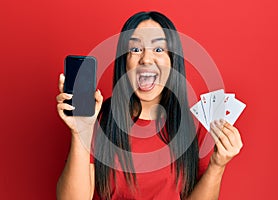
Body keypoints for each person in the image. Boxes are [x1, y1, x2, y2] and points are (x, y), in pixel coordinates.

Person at [56, 11, 243, 200]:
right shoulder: (97, 120)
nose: (146, 59)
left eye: (159, 49)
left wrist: (217, 167)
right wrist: (80, 133)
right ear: (125, 64)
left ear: (172, 61)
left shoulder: (195, 125)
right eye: (136, 50)